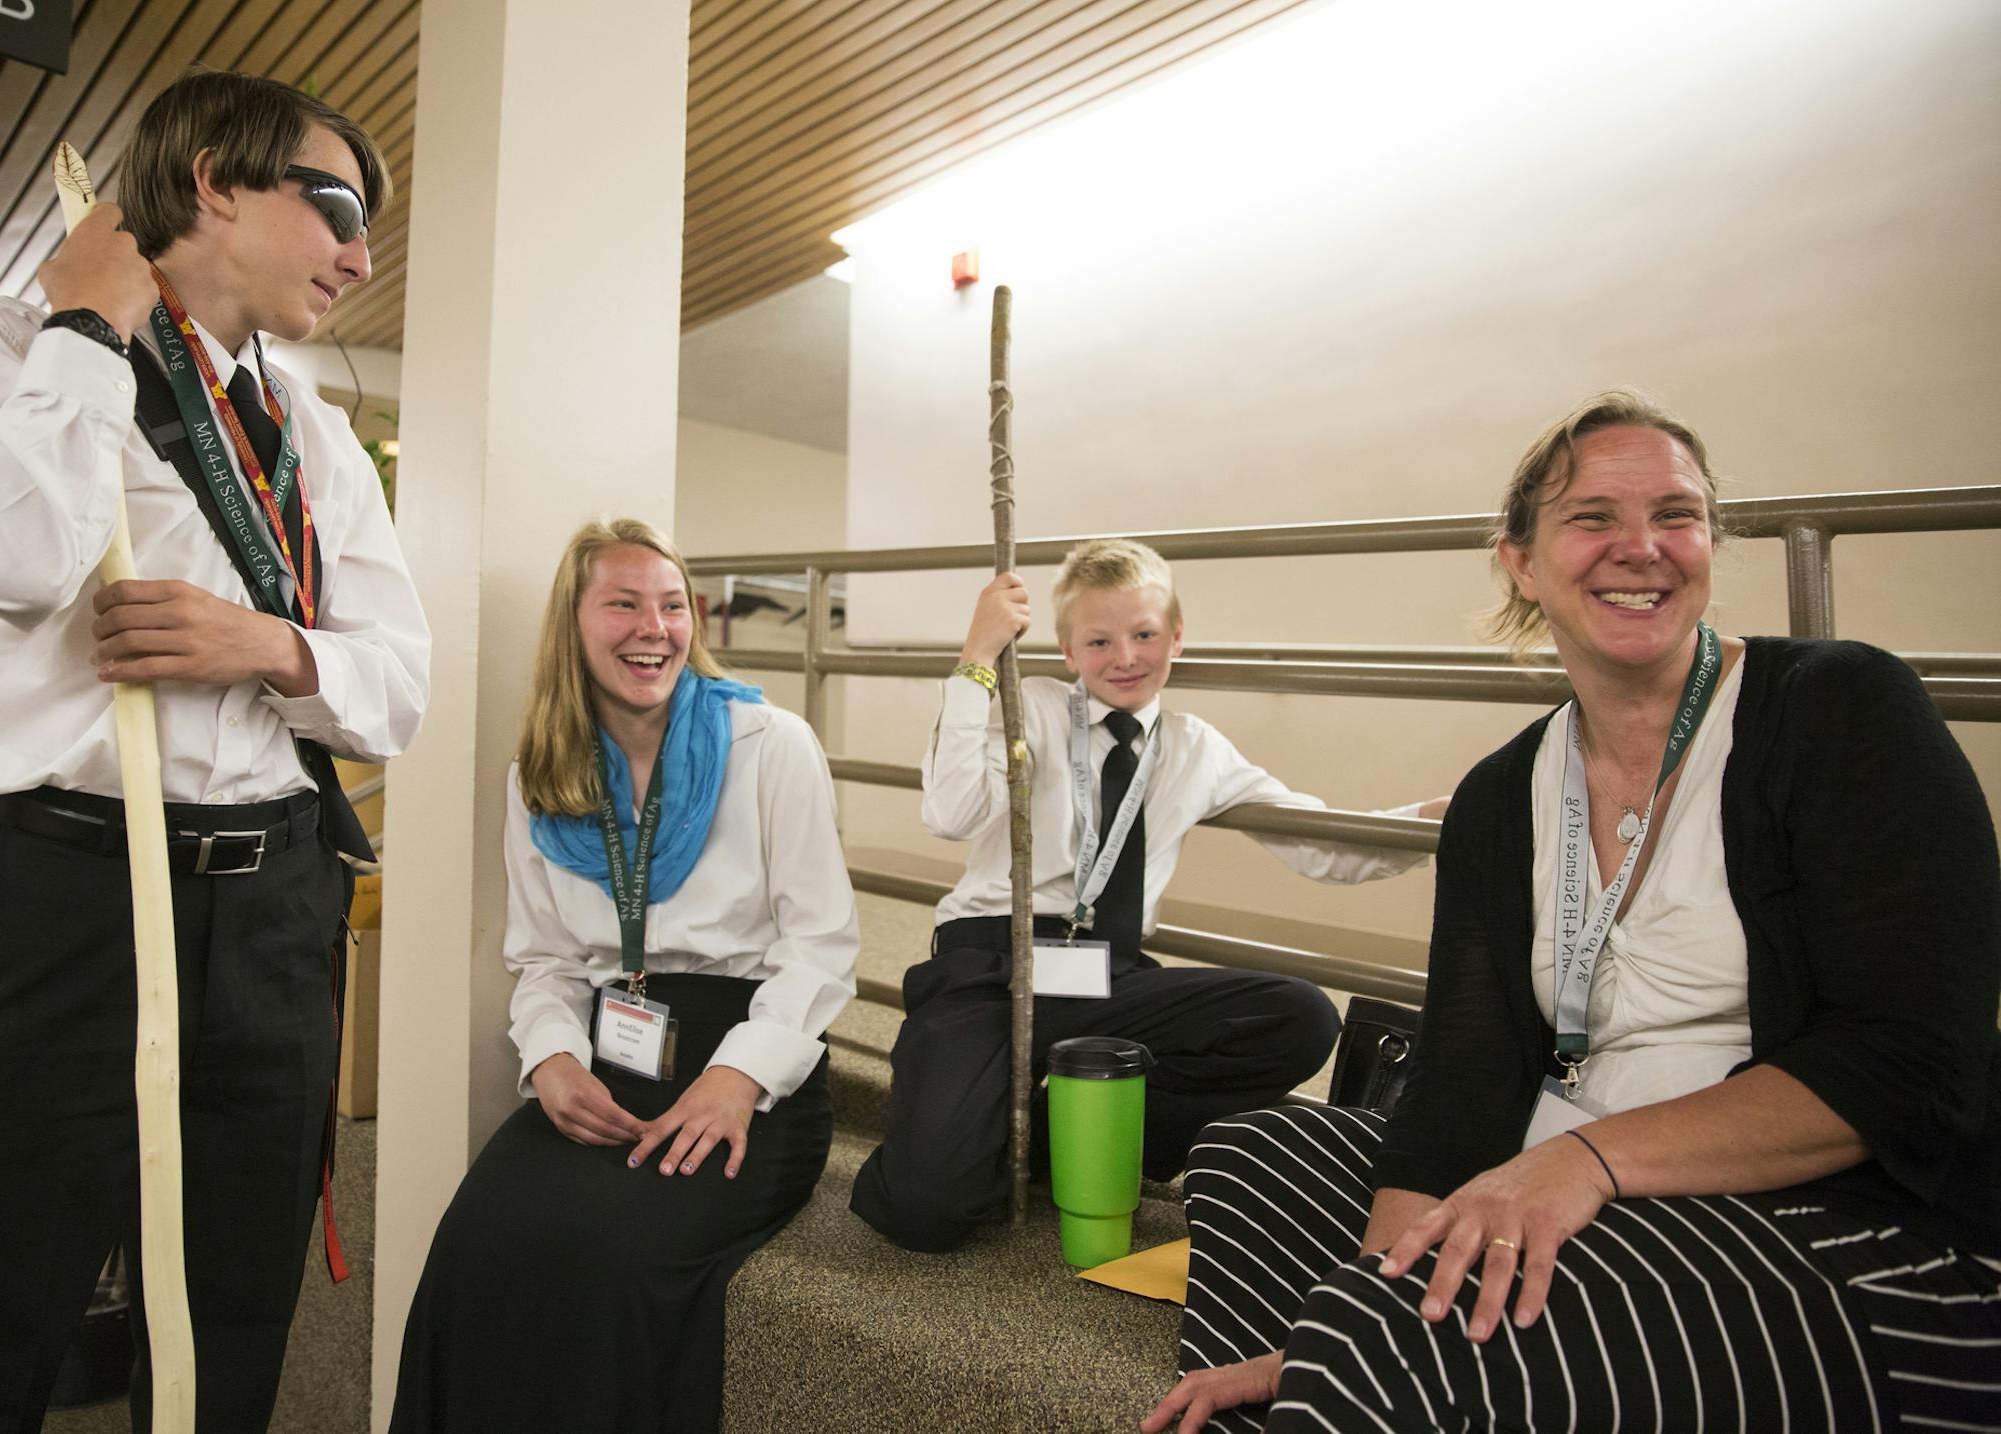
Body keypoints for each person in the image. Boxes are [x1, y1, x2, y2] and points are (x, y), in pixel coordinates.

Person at [1147, 390, 2001, 1434]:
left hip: (1830, 1220)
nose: (1639, 547)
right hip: (1567, 1174)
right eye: (1593, 517)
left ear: (1710, 544)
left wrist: (1585, 1164)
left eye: (1676, 515)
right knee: (1256, 1156)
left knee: (1404, 1339)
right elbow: (1461, 1084)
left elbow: (1911, 1064)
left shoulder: (1839, 708)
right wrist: (1365, 1300)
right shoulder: (1506, 796)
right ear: (1521, 560)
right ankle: (1348, 1379)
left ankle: (1371, 1379)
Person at [0, 69, 430, 1433]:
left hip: (275, 903)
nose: (362, 255)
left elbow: (395, 687)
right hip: (65, 898)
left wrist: (270, 648)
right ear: (214, 183)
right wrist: (85, 321)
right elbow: (15, 559)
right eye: (337, 204)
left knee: (231, 1309)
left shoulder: (315, 438)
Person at [849, 539, 1451, 1252]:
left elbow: (1322, 846)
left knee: (1302, 1017)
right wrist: (978, 658)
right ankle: (970, 1140)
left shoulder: (1196, 748)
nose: (1126, 657)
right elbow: (949, 814)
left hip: (1106, 973)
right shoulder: (1029, 707)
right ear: (1068, 651)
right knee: (928, 1210)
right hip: (992, 963)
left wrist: (1439, 821)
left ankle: (1046, 1140)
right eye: (1099, 641)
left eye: (1144, 635)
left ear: (1177, 636)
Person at [390, 520, 858, 1433]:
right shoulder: (541, 772)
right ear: (574, 624)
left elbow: (823, 948)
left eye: (673, 605)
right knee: (479, 1239)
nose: (656, 627)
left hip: (750, 1069)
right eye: (624, 604)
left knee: (616, 1258)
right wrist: (552, 1063)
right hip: (611, 1053)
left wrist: (737, 1075)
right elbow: (546, 960)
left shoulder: (772, 744)